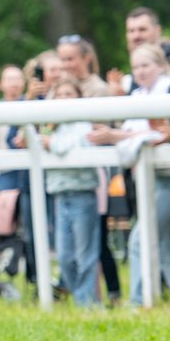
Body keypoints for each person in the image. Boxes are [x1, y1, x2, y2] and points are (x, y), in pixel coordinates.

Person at [89, 43, 170, 307]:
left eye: (145, 65)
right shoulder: (140, 93)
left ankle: (139, 302)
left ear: (160, 66)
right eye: (136, 66)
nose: (140, 71)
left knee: (141, 238)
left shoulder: (166, 90)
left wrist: (116, 135)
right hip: (156, 176)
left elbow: (156, 134)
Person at [38, 78, 101, 307]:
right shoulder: (51, 123)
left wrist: (51, 143)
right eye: (60, 93)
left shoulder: (83, 121)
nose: (65, 97)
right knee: (64, 256)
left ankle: (87, 303)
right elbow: (38, 142)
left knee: (86, 253)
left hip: (82, 193)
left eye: (69, 93)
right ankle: (80, 297)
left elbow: (78, 144)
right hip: (60, 193)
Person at [107, 7, 163, 96]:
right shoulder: (128, 79)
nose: (136, 36)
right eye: (131, 31)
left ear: (157, 30)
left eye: (142, 29)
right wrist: (121, 97)